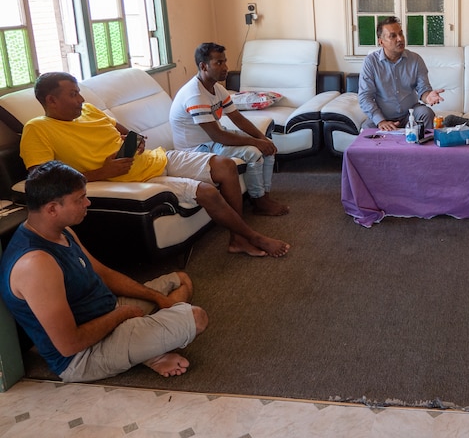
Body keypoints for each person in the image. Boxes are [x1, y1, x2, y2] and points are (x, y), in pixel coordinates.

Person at [20, 72, 289, 258]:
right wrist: (101, 173)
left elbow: (129, 134)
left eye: (79, 93)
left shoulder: (89, 111)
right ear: (51, 100)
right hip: (130, 179)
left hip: (157, 158)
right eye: (72, 95)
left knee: (226, 166)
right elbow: (41, 180)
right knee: (207, 191)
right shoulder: (38, 129)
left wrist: (135, 142)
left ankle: (237, 238)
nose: (80, 99)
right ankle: (251, 237)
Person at [0, 161, 209, 382]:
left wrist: (157, 298)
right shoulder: (36, 264)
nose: (87, 203)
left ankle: (147, 343)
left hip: (108, 310)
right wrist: (122, 315)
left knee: (179, 279)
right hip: (84, 356)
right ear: (52, 208)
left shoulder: (63, 231)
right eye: (79, 199)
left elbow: (104, 274)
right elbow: (70, 345)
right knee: (197, 318)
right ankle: (151, 351)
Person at [170, 42, 289, 216]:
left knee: (267, 146)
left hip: (213, 139)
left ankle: (265, 196)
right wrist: (255, 142)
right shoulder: (194, 95)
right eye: (219, 63)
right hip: (195, 149)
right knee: (253, 152)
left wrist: (261, 138)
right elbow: (218, 136)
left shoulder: (217, 88)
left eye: (225, 61)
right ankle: (259, 201)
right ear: (203, 66)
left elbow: (238, 118)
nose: (225, 67)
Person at [358, 16, 445, 131]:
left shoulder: (415, 59)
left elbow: (423, 89)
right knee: (366, 130)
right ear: (381, 41)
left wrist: (427, 97)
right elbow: (365, 96)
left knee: (426, 113)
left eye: (401, 34)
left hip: (411, 114)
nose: (400, 39)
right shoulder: (370, 62)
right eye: (393, 36)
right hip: (383, 115)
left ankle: (423, 149)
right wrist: (380, 121)